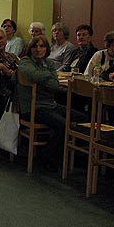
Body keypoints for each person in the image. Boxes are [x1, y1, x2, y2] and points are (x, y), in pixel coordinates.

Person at [18, 36, 88, 172]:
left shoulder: (49, 63)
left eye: (42, 46)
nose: (38, 49)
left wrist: (43, 76)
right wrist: (48, 75)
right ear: (30, 49)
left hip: (50, 104)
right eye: (35, 46)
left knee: (83, 119)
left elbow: (55, 85)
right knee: (63, 125)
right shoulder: (25, 62)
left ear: (47, 49)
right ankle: (47, 156)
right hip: (33, 107)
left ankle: (72, 155)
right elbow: (33, 75)